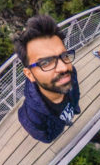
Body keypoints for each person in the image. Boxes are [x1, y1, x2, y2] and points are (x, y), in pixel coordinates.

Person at [13, 14, 81, 143]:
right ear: (29, 74)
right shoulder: (31, 119)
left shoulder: (70, 75)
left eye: (64, 55)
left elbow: (75, 92)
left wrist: (75, 108)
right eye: (45, 63)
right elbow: (46, 138)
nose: (63, 68)